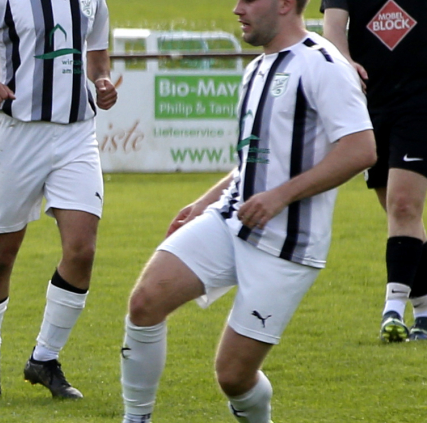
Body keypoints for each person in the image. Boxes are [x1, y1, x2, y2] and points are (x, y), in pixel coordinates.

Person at [118, 0, 377, 421]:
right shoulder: (257, 68)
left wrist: (280, 196)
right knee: (146, 301)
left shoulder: (324, 65)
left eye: (249, 0)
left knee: (233, 377)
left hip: (286, 244)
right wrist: (204, 202)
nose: (237, 9)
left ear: (285, 3)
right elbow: (254, 161)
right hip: (231, 219)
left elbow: (361, 149)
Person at [0, 0, 118, 399]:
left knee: (82, 250)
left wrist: (103, 80)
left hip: (77, 134)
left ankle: (45, 358)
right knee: (0, 258)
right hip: (16, 134)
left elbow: (96, 52)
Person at [321, 0, 427, 343]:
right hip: (370, 100)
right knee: (401, 213)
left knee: (403, 205)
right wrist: (345, 63)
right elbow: (333, 28)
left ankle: (392, 311)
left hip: (426, 99)